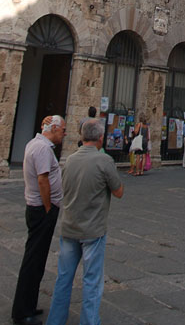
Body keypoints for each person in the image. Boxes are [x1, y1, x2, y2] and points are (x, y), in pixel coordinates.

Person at [46, 119, 123, 325]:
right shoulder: (104, 161)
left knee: (63, 278)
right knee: (92, 281)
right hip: (92, 230)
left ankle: (55, 320)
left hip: (69, 227)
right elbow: (119, 191)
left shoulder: (69, 160)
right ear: (100, 138)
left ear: (81, 137)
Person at [12, 115, 66, 325]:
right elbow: (43, 180)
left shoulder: (34, 144)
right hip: (41, 210)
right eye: (62, 129)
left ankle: (28, 305)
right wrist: (48, 207)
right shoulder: (43, 149)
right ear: (52, 129)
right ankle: (22, 312)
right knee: (33, 260)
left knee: (36, 259)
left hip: (36, 208)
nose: (64, 133)